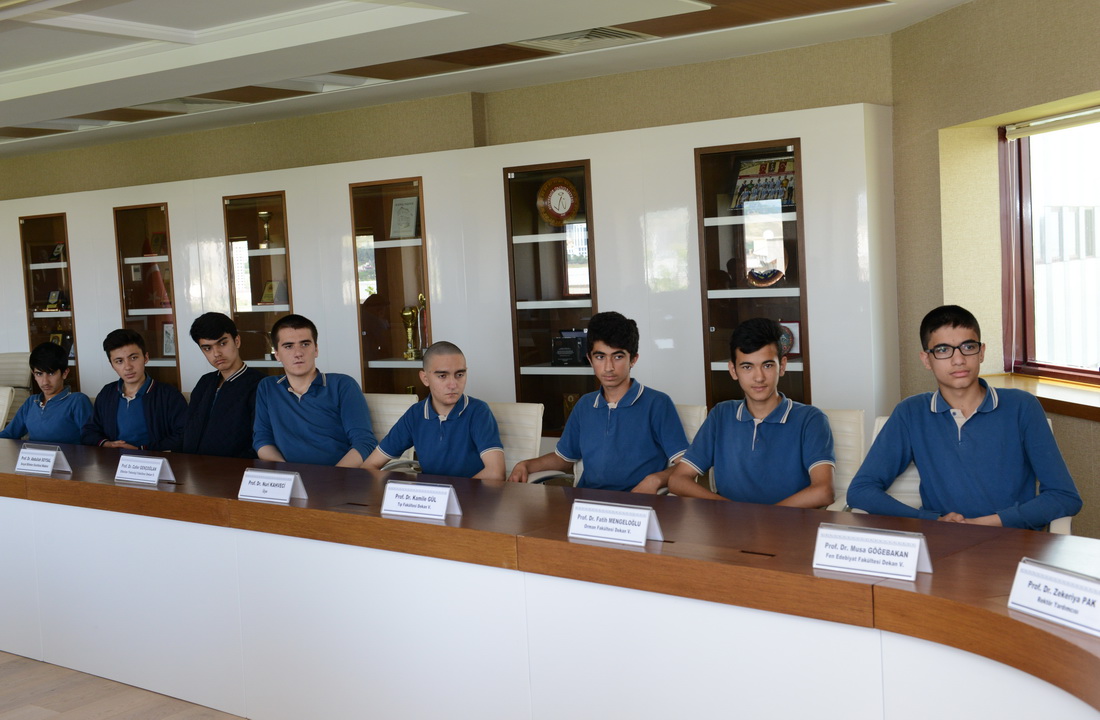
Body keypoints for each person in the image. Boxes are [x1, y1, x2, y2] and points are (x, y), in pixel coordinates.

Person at [846, 305, 1081, 529]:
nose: (958, 359)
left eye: (968, 347)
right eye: (943, 350)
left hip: (1013, 542)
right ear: (926, 360)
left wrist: (985, 524)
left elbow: (1064, 496)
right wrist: (929, 520)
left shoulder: (1022, 407)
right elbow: (861, 490)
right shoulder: (911, 412)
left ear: (982, 352)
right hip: (941, 542)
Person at [507, 311, 688, 493]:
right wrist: (526, 465)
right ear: (590, 359)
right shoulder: (585, 405)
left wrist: (655, 480)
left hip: (635, 504)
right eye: (600, 357)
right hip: (586, 502)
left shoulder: (658, 404)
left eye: (618, 357)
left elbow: (686, 465)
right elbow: (563, 459)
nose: (608, 367)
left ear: (633, 359)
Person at [667, 317, 835, 506]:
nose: (759, 377)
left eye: (767, 365)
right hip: (729, 521)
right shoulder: (721, 415)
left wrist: (763, 518)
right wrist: (729, 510)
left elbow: (824, 491)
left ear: (782, 366)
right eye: (747, 367)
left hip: (788, 522)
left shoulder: (811, 419)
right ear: (733, 370)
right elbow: (678, 480)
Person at [361, 341, 504, 480]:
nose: (453, 385)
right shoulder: (415, 414)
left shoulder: (479, 412)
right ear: (425, 378)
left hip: (472, 495)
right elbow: (369, 465)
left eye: (459, 375)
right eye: (442, 376)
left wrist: (450, 494)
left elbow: (495, 473)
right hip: (429, 495)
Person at [252, 314, 375, 467]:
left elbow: (364, 443)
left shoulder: (342, 385)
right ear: (277, 354)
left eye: (305, 344)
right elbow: (262, 439)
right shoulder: (268, 387)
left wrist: (334, 476)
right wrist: (286, 473)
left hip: (338, 476)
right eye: (288, 346)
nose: (298, 353)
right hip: (288, 476)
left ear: (316, 349)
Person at [81, 329, 186, 451]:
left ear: (145, 357)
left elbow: (183, 434)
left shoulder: (169, 395)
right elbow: (89, 432)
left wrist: (140, 449)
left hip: (153, 459)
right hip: (113, 458)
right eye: (119, 361)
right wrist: (107, 444)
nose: (128, 367)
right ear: (112, 365)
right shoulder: (107, 393)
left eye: (133, 358)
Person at [182, 312, 264, 458]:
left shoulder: (260, 385)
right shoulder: (205, 382)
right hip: (195, 466)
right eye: (207, 348)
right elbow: (189, 430)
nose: (216, 353)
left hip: (235, 468)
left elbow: (259, 441)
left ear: (237, 341)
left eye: (222, 343)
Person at [0, 341, 92, 444]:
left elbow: (92, 441)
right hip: (32, 454)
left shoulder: (77, 401)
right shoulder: (31, 403)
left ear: (65, 373)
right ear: (33, 375)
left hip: (69, 455)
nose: (45, 382)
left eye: (51, 373)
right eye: (39, 374)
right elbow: (8, 435)